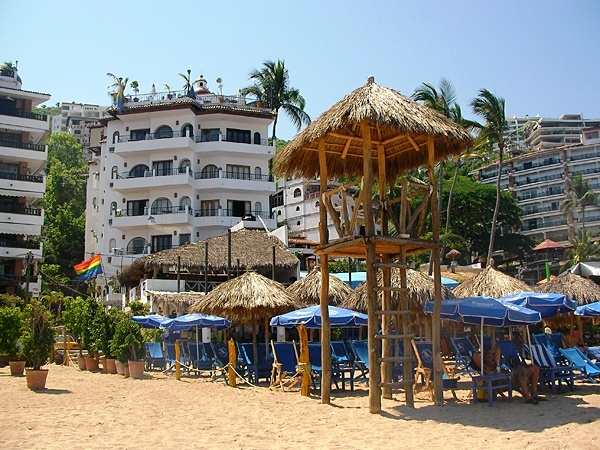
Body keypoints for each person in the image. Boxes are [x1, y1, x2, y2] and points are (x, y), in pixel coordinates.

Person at [473, 346, 544, 404]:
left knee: (535, 368)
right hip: (505, 381)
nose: (492, 359)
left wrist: (490, 354)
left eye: (492, 357)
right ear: (484, 359)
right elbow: (475, 355)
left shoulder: (496, 364)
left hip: (510, 377)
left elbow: (498, 349)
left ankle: (534, 395)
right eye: (490, 358)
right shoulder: (484, 367)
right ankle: (527, 398)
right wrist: (484, 356)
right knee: (521, 370)